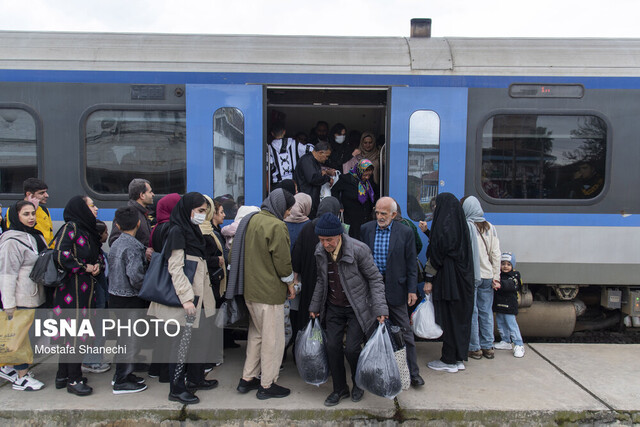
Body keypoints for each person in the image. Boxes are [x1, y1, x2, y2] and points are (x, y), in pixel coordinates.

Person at [309, 213, 389, 407]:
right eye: (321, 240)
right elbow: (321, 280)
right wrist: (315, 306)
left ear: (339, 235)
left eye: (329, 240)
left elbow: (375, 279)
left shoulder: (359, 250)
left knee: (352, 349)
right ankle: (339, 389)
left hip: (357, 307)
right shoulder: (320, 251)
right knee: (332, 347)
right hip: (334, 306)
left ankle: (358, 383)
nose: (325, 244)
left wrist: (380, 308)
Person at [147, 193, 218, 405]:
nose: (203, 215)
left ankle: (195, 379)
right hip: (186, 298)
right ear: (188, 209)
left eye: (205, 211)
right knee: (180, 345)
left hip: (200, 296)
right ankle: (176, 389)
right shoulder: (177, 231)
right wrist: (187, 299)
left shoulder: (191, 229)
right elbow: (175, 267)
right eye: (200, 211)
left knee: (196, 340)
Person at [233, 189, 296, 400]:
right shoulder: (277, 225)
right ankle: (267, 384)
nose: (288, 213)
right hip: (269, 293)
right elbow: (283, 262)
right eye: (288, 208)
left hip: (250, 290)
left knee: (256, 336)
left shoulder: (251, 219)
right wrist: (290, 284)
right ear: (280, 206)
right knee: (273, 340)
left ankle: (247, 379)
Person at [360, 197, 423, 387]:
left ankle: (413, 373)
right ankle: (375, 371)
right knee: (371, 332)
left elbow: (412, 263)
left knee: (404, 332)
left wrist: (412, 289)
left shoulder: (405, 232)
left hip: (396, 288)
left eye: (384, 214)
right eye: (377, 212)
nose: (379, 217)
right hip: (372, 288)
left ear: (393, 215)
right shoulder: (366, 229)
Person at [54, 195, 103, 396]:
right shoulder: (70, 228)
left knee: (76, 332)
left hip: (85, 290)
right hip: (71, 290)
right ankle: (73, 380)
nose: (96, 208)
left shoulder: (86, 229)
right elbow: (61, 255)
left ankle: (63, 375)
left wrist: (97, 265)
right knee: (73, 334)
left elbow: (95, 254)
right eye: (92, 205)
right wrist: (85, 267)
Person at [424, 193, 474, 373]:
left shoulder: (444, 228)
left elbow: (437, 253)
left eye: (436, 206)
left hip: (448, 280)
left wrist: (428, 279)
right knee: (458, 318)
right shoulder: (460, 226)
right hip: (462, 279)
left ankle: (449, 360)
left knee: (448, 318)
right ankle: (458, 358)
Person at [0, 200, 47, 391]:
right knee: (21, 338)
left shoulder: (35, 236)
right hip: (21, 298)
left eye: (32, 214)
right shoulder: (11, 242)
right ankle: (21, 377)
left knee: (32, 335)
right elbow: (7, 274)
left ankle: (9, 368)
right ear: (15, 217)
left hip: (35, 295)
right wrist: (8, 304)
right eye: (26, 214)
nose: (31, 218)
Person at [107, 206, 148, 394]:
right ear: (139, 224)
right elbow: (135, 276)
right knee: (130, 339)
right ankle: (122, 380)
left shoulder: (116, 243)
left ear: (117, 224)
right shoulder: (133, 246)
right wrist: (146, 287)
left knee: (124, 337)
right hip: (130, 298)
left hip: (115, 295)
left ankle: (124, 374)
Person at [291, 197, 341, 338]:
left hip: (309, 281)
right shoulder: (336, 230)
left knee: (306, 318)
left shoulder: (307, 227)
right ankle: (321, 353)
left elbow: (296, 257)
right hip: (329, 283)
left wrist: (296, 278)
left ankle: (302, 353)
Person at [462, 196, 501, 360]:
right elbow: (496, 253)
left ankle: (474, 348)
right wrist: (496, 276)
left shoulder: (467, 226)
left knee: (473, 312)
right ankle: (488, 347)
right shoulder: (490, 227)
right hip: (487, 276)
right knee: (486, 312)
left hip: (473, 277)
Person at [283, 192, 312, 349]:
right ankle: (296, 344)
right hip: (299, 276)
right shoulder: (309, 225)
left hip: (283, 274)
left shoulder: (281, 222)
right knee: (297, 309)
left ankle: (284, 346)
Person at [109, 178, 155, 262]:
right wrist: (144, 251)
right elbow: (115, 241)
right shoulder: (128, 214)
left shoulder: (144, 213)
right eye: (150, 192)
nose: (153, 194)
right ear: (142, 195)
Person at [331, 159, 376, 240]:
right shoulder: (346, 179)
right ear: (359, 170)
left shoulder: (369, 180)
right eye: (365, 175)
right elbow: (334, 191)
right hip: (351, 216)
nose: (367, 177)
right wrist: (339, 205)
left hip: (365, 216)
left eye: (369, 175)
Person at [2, 178, 54, 246]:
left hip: (46, 252)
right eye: (41, 193)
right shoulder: (14, 209)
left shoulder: (44, 210)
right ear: (29, 194)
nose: (46, 195)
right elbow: (14, 232)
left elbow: (50, 233)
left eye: (46, 192)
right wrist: (34, 210)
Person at [493, 252, 525, 358]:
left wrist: (500, 284)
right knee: (501, 324)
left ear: (512, 265)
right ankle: (506, 341)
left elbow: (512, 285)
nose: (505, 266)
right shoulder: (498, 275)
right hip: (499, 306)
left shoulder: (515, 275)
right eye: (503, 264)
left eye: (508, 264)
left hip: (510, 306)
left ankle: (519, 344)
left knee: (512, 325)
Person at [293, 140, 335, 219]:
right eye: (326, 156)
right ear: (320, 152)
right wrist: (327, 178)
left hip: (312, 200)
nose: (327, 159)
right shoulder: (307, 160)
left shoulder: (314, 161)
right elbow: (313, 178)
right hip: (305, 201)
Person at [268, 123, 313, 189]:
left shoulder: (269, 148)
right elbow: (311, 150)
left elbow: (269, 166)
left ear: (272, 133)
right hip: (293, 183)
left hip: (277, 184)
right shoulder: (293, 144)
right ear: (284, 132)